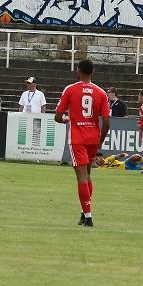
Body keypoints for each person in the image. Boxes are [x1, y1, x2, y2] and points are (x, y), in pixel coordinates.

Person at [54, 58, 110, 228]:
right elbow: (107, 122)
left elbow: (57, 116)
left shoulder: (70, 90)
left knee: (81, 177)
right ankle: (84, 213)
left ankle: (88, 217)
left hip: (77, 138)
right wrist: (100, 141)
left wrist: (65, 119)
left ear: (78, 71)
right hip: (93, 138)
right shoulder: (101, 92)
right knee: (88, 175)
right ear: (92, 72)